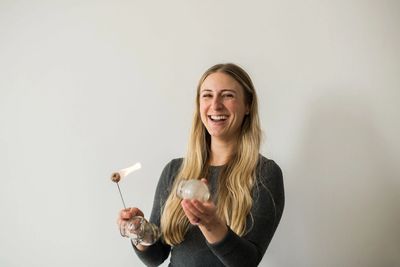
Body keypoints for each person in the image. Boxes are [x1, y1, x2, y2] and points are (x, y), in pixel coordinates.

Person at [117, 63, 285, 267]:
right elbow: (156, 255)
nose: (215, 105)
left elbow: (246, 263)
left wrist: (211, 224)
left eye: (227, 95)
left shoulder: (265, 174)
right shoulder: (175, 170)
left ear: (248, 105)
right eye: (207, 95)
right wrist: (139, 231)